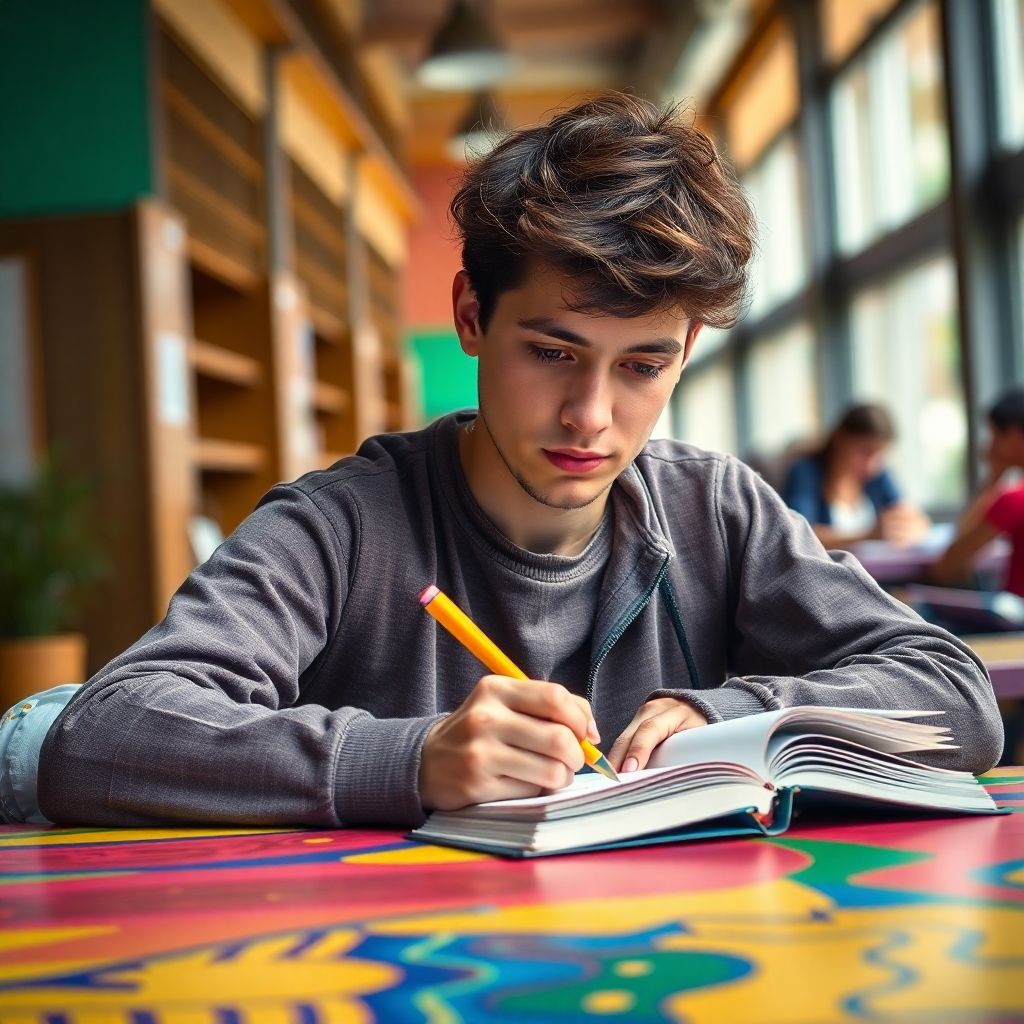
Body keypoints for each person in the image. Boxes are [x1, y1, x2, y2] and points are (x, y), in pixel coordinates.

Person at [1, 93, 1002, 829]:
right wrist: (411, 758)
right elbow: (107, 734)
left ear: (684, 355)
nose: (591, 416)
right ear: (472, 319)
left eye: (642, 366)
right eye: (552, 351)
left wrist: (732, 709)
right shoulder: (341, 525)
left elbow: (953, 694)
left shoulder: (716, 510)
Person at [782, 403, 930, 549]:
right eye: (865, 452)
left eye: (880, 454)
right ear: (840, 439)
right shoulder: (806, 472)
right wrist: (866, 536)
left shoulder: (877, 474)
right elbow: (799, 535)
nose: (872, 464)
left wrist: (914, 527)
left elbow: (910, 515)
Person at [932, 388, 1024, 594]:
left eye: (993, 436)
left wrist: (993, 478)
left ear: (1014, 435)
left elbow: (947, 567)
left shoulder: (1015, 500)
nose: (988, 446)